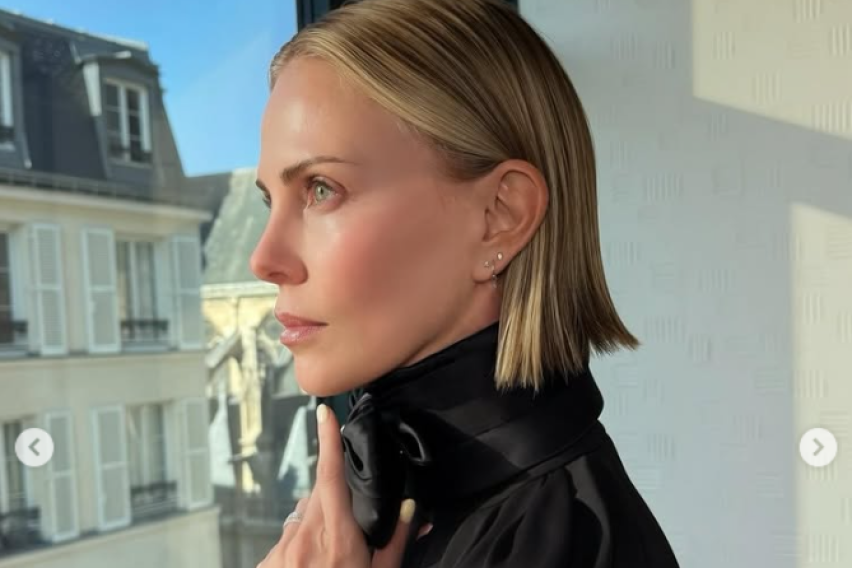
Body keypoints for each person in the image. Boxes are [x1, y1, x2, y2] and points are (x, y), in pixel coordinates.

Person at [251, 0, 681, 566]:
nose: (263, 259)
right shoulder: (410, 505)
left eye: (321, 189)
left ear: (500, 215)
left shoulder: (566, 543)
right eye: (270, 201)